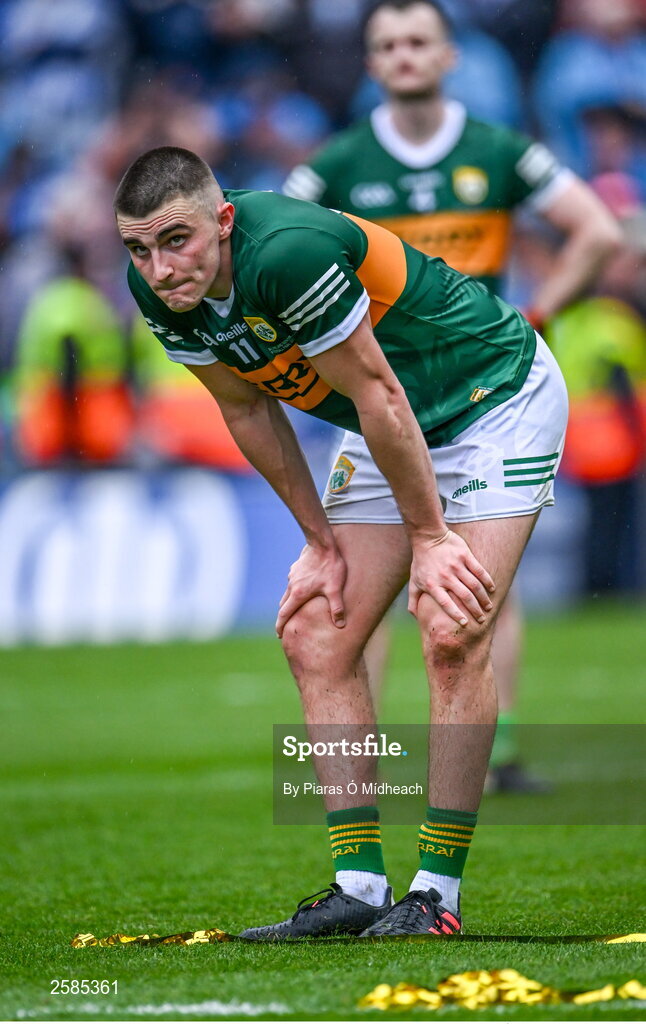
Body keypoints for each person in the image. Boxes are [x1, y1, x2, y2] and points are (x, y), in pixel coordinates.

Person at [115, 145, 568, 939]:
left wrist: (430, 539)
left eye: (175, 240)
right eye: (138, 249)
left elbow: (378, 391)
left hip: (495, 397)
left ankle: (436, 895)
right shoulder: (164, 292)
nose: (158, 268)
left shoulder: (286, 253)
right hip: (391, 422)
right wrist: (318, 541)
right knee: (315, 631)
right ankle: (358, 886)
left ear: (223, 221)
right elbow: (248, 410)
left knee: (451, 624)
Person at [282, 0, 621, 791]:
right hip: (378, 400)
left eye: (418, 42)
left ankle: (492, 751)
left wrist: (534, 316)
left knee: (476, 583)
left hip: (481, 398)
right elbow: (273, 243)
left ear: (450, 55)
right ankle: (366, 755)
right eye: (387, 45)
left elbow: (598, 232)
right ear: (371, 64)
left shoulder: (497, 151)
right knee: (354, 594)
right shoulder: (336, 165)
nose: (403, 56)